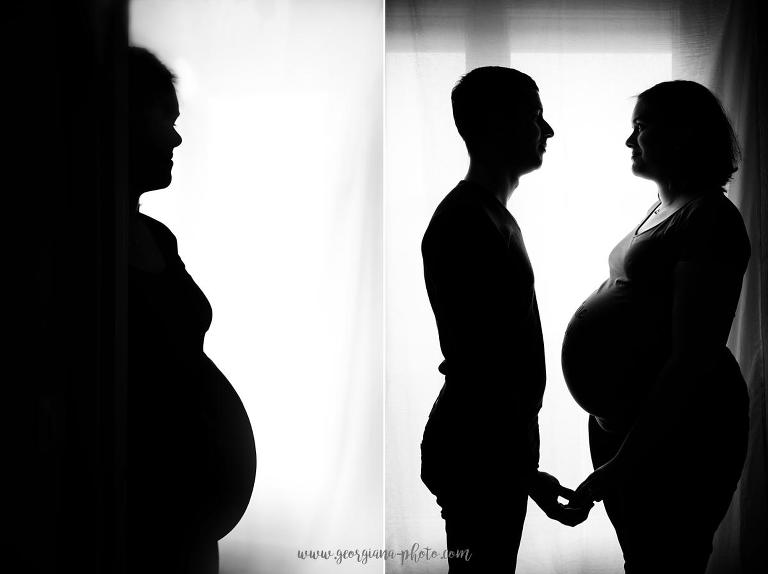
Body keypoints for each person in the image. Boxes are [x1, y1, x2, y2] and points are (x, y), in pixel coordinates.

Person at [562, 80, 750, 574]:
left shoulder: (711, 217)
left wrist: (622, 463)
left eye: (641, 128)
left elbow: (693, 358)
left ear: (683, 135)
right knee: (643, 562)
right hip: (626, 427)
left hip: (681, 436)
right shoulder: (666, 206)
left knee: (667, 563)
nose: (630, 142)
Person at [420, 66, 590, 573]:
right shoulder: (466, 221)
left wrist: (524, 474)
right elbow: (483, 365)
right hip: (478, 450)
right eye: (536, 116)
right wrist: (515, 469)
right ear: (497, 124)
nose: (549, 130)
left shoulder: (490, 214)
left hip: (489, 449)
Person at [126, 46, 257, 574]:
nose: (177, 138)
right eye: (166, 119)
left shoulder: (159, 237)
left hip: (190, 530)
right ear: (124, 115)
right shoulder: (74, 245)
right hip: (139, 525)